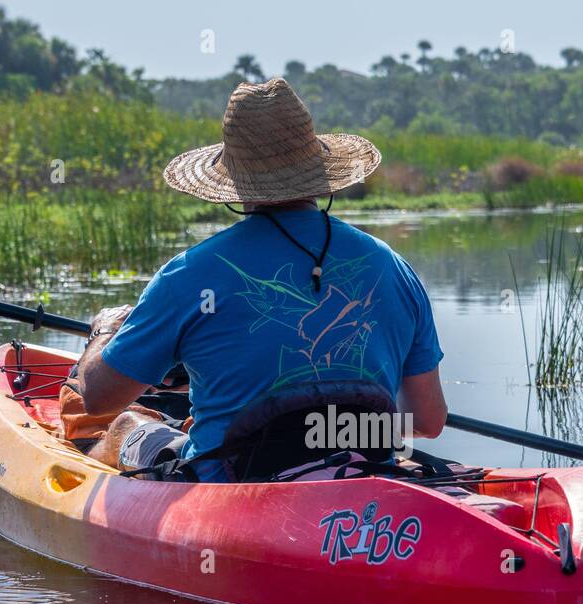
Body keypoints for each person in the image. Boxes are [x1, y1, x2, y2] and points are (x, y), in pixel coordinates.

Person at [70, 77, 448, 481]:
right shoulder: (394, 267)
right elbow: (428, 420)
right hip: (362, 480)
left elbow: (98, 397)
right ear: (318, 172)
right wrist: (329, 432)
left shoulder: (188, 275)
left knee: (123, 425)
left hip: (231, 492)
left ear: (234, 180)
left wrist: (105, 331)